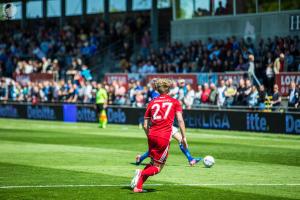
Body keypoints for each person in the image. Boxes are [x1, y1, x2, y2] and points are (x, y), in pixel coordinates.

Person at [131, 78, 189, 193]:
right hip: (163, 136)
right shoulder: (174, 102)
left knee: (153, 163)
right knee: (158, 167)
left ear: (157, 90)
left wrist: (150, 136)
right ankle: (141, 173)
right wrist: (184, 137)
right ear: (169, 89)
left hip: (152, 134)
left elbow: (145, 124)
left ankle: (138, 187)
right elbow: (180, 120)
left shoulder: (152, 102)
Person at [135, 80, 201, 167]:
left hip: (166, 124)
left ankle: (190, 159)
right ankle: (141, 158)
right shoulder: (157, 95)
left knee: (180, 140)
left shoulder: (156, 94)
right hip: (161, 126)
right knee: (159, 147)